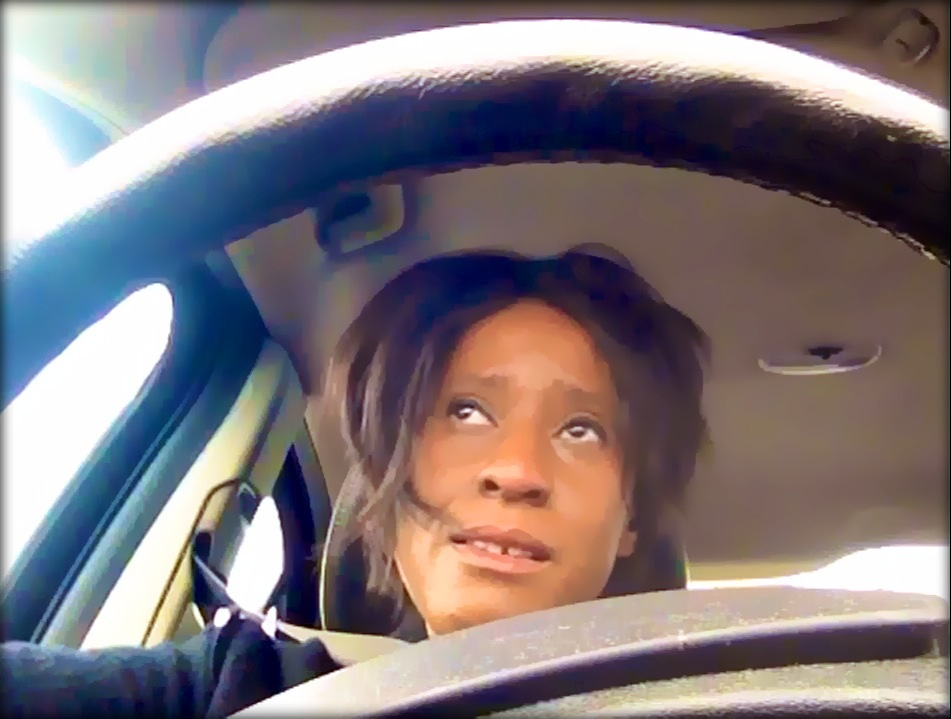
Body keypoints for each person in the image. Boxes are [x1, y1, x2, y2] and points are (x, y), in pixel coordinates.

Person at [2, 245, 709, 717]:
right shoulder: (239, 685)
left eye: (581, 430)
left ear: (632, 518)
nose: (516, 470)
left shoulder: (728, 700)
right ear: (386, 470)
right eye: (465, 411)